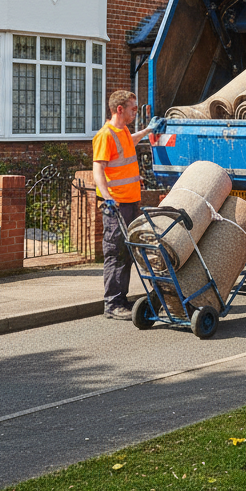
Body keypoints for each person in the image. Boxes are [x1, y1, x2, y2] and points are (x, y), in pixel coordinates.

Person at [92, 89, 160, 319]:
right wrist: (107, 197)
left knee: (128, 253)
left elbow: (130, 143)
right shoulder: (105, 135)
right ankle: (113, 304)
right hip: (117, 205)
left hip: (130, 202)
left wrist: (148, 130)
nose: (135, 112)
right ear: (119, 109)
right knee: (116, 253)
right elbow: (98, 170)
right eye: (133, 108)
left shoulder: (123, 132)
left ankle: (121, 300)